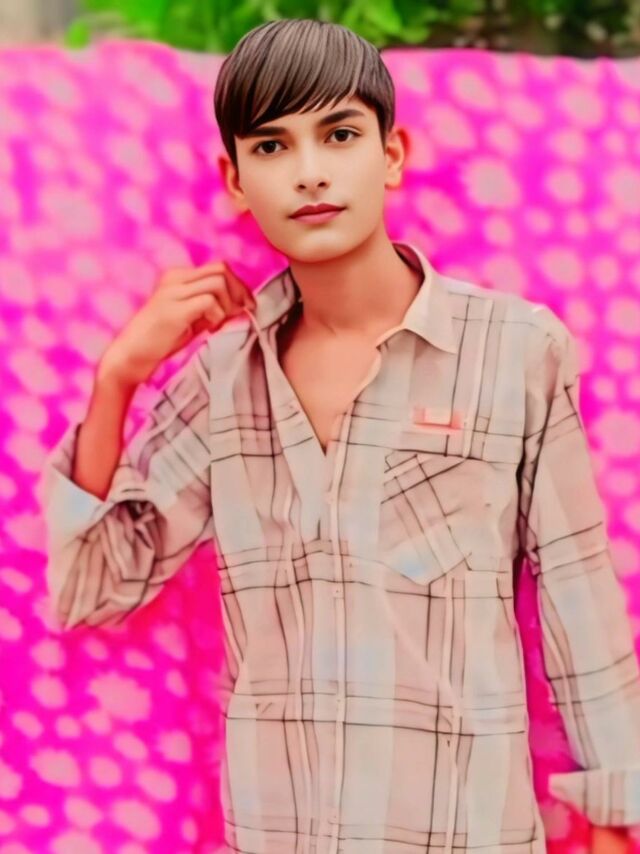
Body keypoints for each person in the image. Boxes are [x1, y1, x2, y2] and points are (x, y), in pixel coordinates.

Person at [37, 17, 640, 854]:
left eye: (340, 135)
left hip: (466, 833)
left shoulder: (514, 350)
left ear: (391, 155)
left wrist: (617, 809)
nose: (310, 172)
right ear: (236, 179)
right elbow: (93, 587)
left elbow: (578, 593)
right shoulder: (224, 377)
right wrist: (118, 380)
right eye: (272, 146)